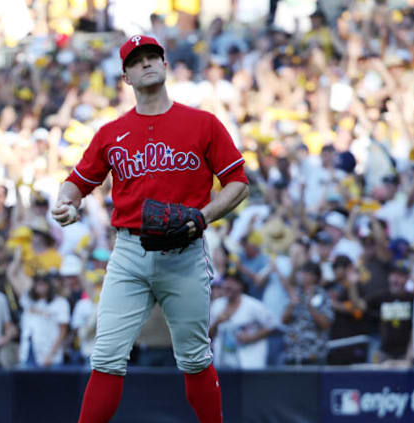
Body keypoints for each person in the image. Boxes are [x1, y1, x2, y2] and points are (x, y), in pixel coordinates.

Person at [51, 35, 249, 423]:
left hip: (185, 251)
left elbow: (238, 182)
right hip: (129, 253)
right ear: (125, 76)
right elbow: (76, 180)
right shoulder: (112, 132)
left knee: (194, 358)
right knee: (106, 357)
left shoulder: (202, 122)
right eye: (137, 60)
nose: (146, 63)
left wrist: (204, 217)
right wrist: (65, 202)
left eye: (152, 56)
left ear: (164, 63)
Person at [209, 269, 277, 369]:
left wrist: (252, 337)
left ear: (240, 285)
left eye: (232, 281)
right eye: (226, 281)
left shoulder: (253, 305)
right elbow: (208, 337)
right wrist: (216, 323)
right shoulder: (217, 305)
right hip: (223, 364)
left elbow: (273, 326)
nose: (228, 285)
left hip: (250, 362)